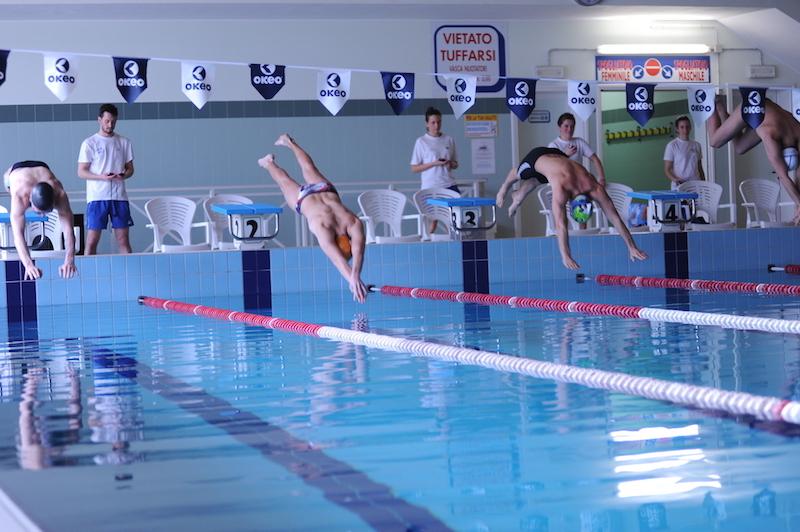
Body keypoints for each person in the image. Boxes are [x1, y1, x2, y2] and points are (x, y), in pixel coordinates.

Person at [496, 147, 648, 270]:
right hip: (537, 157)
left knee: (537, 179)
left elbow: (614, 217)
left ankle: (518, 196)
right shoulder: (561, 190)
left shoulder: (594, 187)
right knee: (519, 173)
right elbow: (561, 225)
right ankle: (505, 189)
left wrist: (631, 247)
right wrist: (565, 256)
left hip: (559, 157)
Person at [258, 134, 367, 303]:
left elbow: (358, 251)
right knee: (283, 180)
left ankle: (290, 142)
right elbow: (337, 260)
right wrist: (352, 279)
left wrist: (355, 276)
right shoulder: (323, 229)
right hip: (303, 200)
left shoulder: (353, 222)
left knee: (308, 167)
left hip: (326, 190)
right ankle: (268, 162)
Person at [708, 96, 800, 224]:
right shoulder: (769, 134)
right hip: (752, 105)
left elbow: (798, 178)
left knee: (740, 147)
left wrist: (797, 207)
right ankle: (711, 102)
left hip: (768, 114)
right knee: (714, 141)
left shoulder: (798, 132)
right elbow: (783, 176)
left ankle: (721, 109)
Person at [3, 161, 78, 280]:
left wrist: (69, 260)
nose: (42, 215)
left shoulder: (59, 194)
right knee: (7, 181)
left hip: (42, 168)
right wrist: (28, 265)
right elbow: (18, 235)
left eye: (47, 212)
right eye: (38, 212)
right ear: (30, 201)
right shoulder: (20, 196)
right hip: (16, 171)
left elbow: (69, 230)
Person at [77, 103, 135, 254]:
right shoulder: (89, 143)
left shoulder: (124, 142)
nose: (110, 125)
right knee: (92, 241)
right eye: (107, 121)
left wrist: (123, 175)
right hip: (97, 197)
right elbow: (81, 172)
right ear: (99, 120)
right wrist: (101, 177)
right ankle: (88, 268)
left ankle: (129, 269)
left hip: (119, 197)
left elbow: (130, 169)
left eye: (113, 121)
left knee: (123, 240)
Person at [410, 107, 460, 234]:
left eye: (439, 122)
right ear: (427, 124)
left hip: (448, 184)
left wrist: (449, 163)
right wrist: (434, 163)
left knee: (455, 216)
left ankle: (454, 239)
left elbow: (455, 164)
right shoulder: (421, 142)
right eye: (433, 122)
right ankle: (427, 240)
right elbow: (414, 168)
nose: (436, 125)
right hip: (430, 186)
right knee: (432, 220)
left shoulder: (449, 139)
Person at [548, 112, 606, 187]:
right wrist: (565, 155)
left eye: (572, 126)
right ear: (559, 127)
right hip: (561, 185)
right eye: (566, 126)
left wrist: (602, 178)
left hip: (578, 183)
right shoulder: (553, 145)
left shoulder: (579, 142)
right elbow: (553, 168)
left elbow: (595, 159)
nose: (569, 129)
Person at [664, 116, 705, 190]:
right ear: (677, 129)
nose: (685, 130)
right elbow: (667, 169)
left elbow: (700, 167)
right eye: (682, 127)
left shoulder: (696, 145)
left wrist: (704, 184)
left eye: (687, 127)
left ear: (690, 128)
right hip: (680, 185)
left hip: (696, 185)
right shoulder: (672, 145)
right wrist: (675, 179)